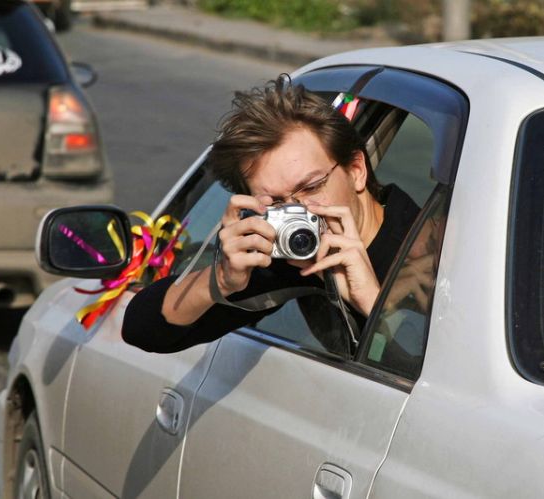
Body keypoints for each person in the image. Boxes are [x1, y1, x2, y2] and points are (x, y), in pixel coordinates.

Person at [121, 75, 420, 353]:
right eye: (276, 204)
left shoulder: (430, 249)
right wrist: (222, 279)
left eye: (311, 187)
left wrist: (375, 305)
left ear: (356, 170)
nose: (299, 211)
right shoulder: (290, 256)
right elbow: (141, 330)